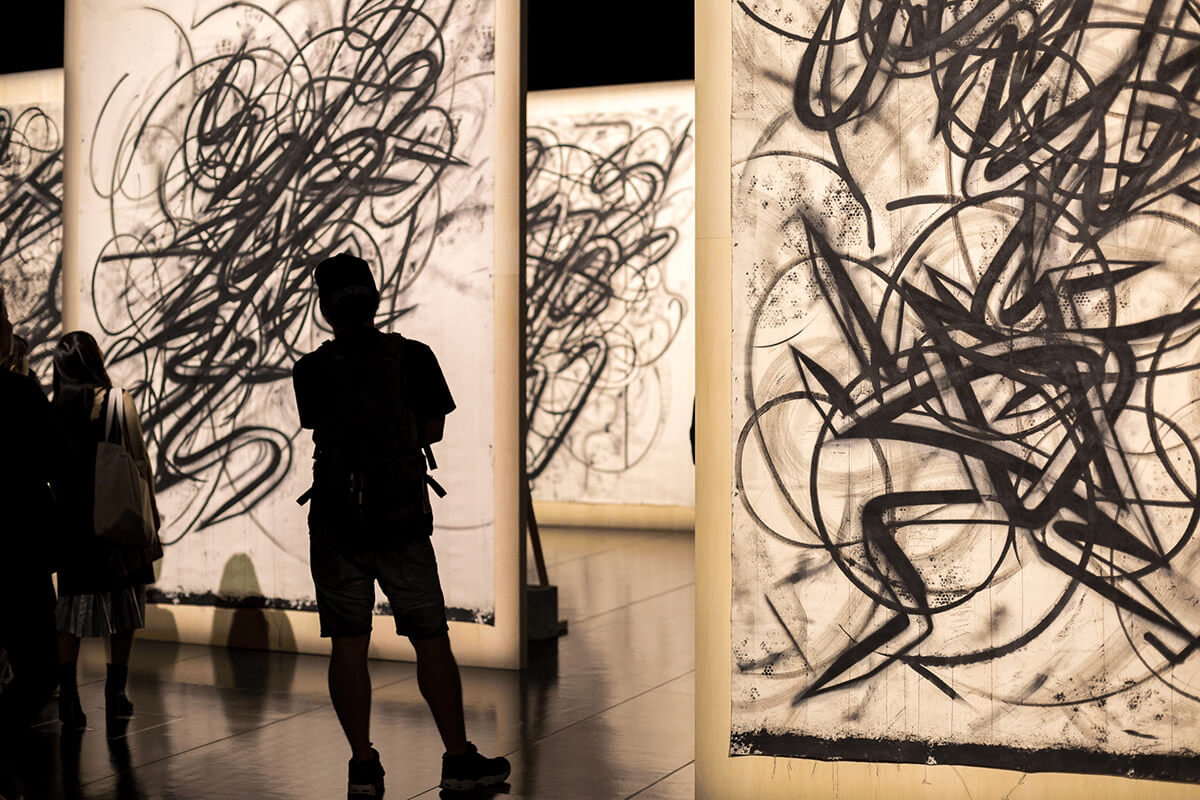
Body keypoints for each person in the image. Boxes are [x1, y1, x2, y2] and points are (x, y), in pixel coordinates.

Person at [293, 253, 510, 798]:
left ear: (325, 310)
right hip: (401, 522)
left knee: (348, 644)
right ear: (374, 297)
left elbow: (319, 424)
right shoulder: (413, 356)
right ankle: (457, 759)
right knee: (430, 638)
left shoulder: (310, 369)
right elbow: (432, 430)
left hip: (335, 523)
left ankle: (362, 766)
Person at [51, 331, 162, 733]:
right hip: (117, 518)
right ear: (95, 360)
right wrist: (152, 515)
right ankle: (115, 693)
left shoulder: (53, 411)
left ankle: (68, 696)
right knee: (125, 606)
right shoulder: (117, 402)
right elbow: (139, 461)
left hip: (74, 525)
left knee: (71, 612)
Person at [0, 289, 65, 739]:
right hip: (19, 544)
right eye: (6, 322)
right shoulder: (20, 393)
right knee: (40, 662)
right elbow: (51, 460)